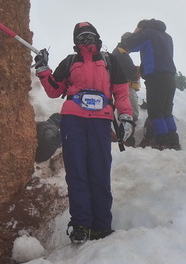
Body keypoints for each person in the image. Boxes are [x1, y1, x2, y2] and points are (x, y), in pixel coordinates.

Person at [34, 22, 134, 244]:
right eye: (81, 37)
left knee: (99, 172)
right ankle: (80, 224)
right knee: (77, 172)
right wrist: (43, 69)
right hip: (73, 122)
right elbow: (54, 89)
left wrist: (126, 116)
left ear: (97, 38)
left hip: (100, 123)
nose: (86, 40)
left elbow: (121, 92)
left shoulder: (110, 61)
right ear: (75, 41)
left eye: (89, 35)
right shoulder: (69, 62)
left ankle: (101, 226)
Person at [123, 19, 180, 150]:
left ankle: (162, 142)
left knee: (155, 112)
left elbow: (131, 45)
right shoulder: (166, 36)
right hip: (171, 77)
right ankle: (174, 142)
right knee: (166, 111)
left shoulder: (147, 33)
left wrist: (135, 32)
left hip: (156, 76)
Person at [112, 32, 141, 126]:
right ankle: (128, 137)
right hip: (126, 87)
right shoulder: (121, 53)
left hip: (123, 87)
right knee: (131, 113)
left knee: (126, 112)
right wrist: (138, 70)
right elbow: (131, 72)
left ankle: (126, 134)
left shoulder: (119, 52)